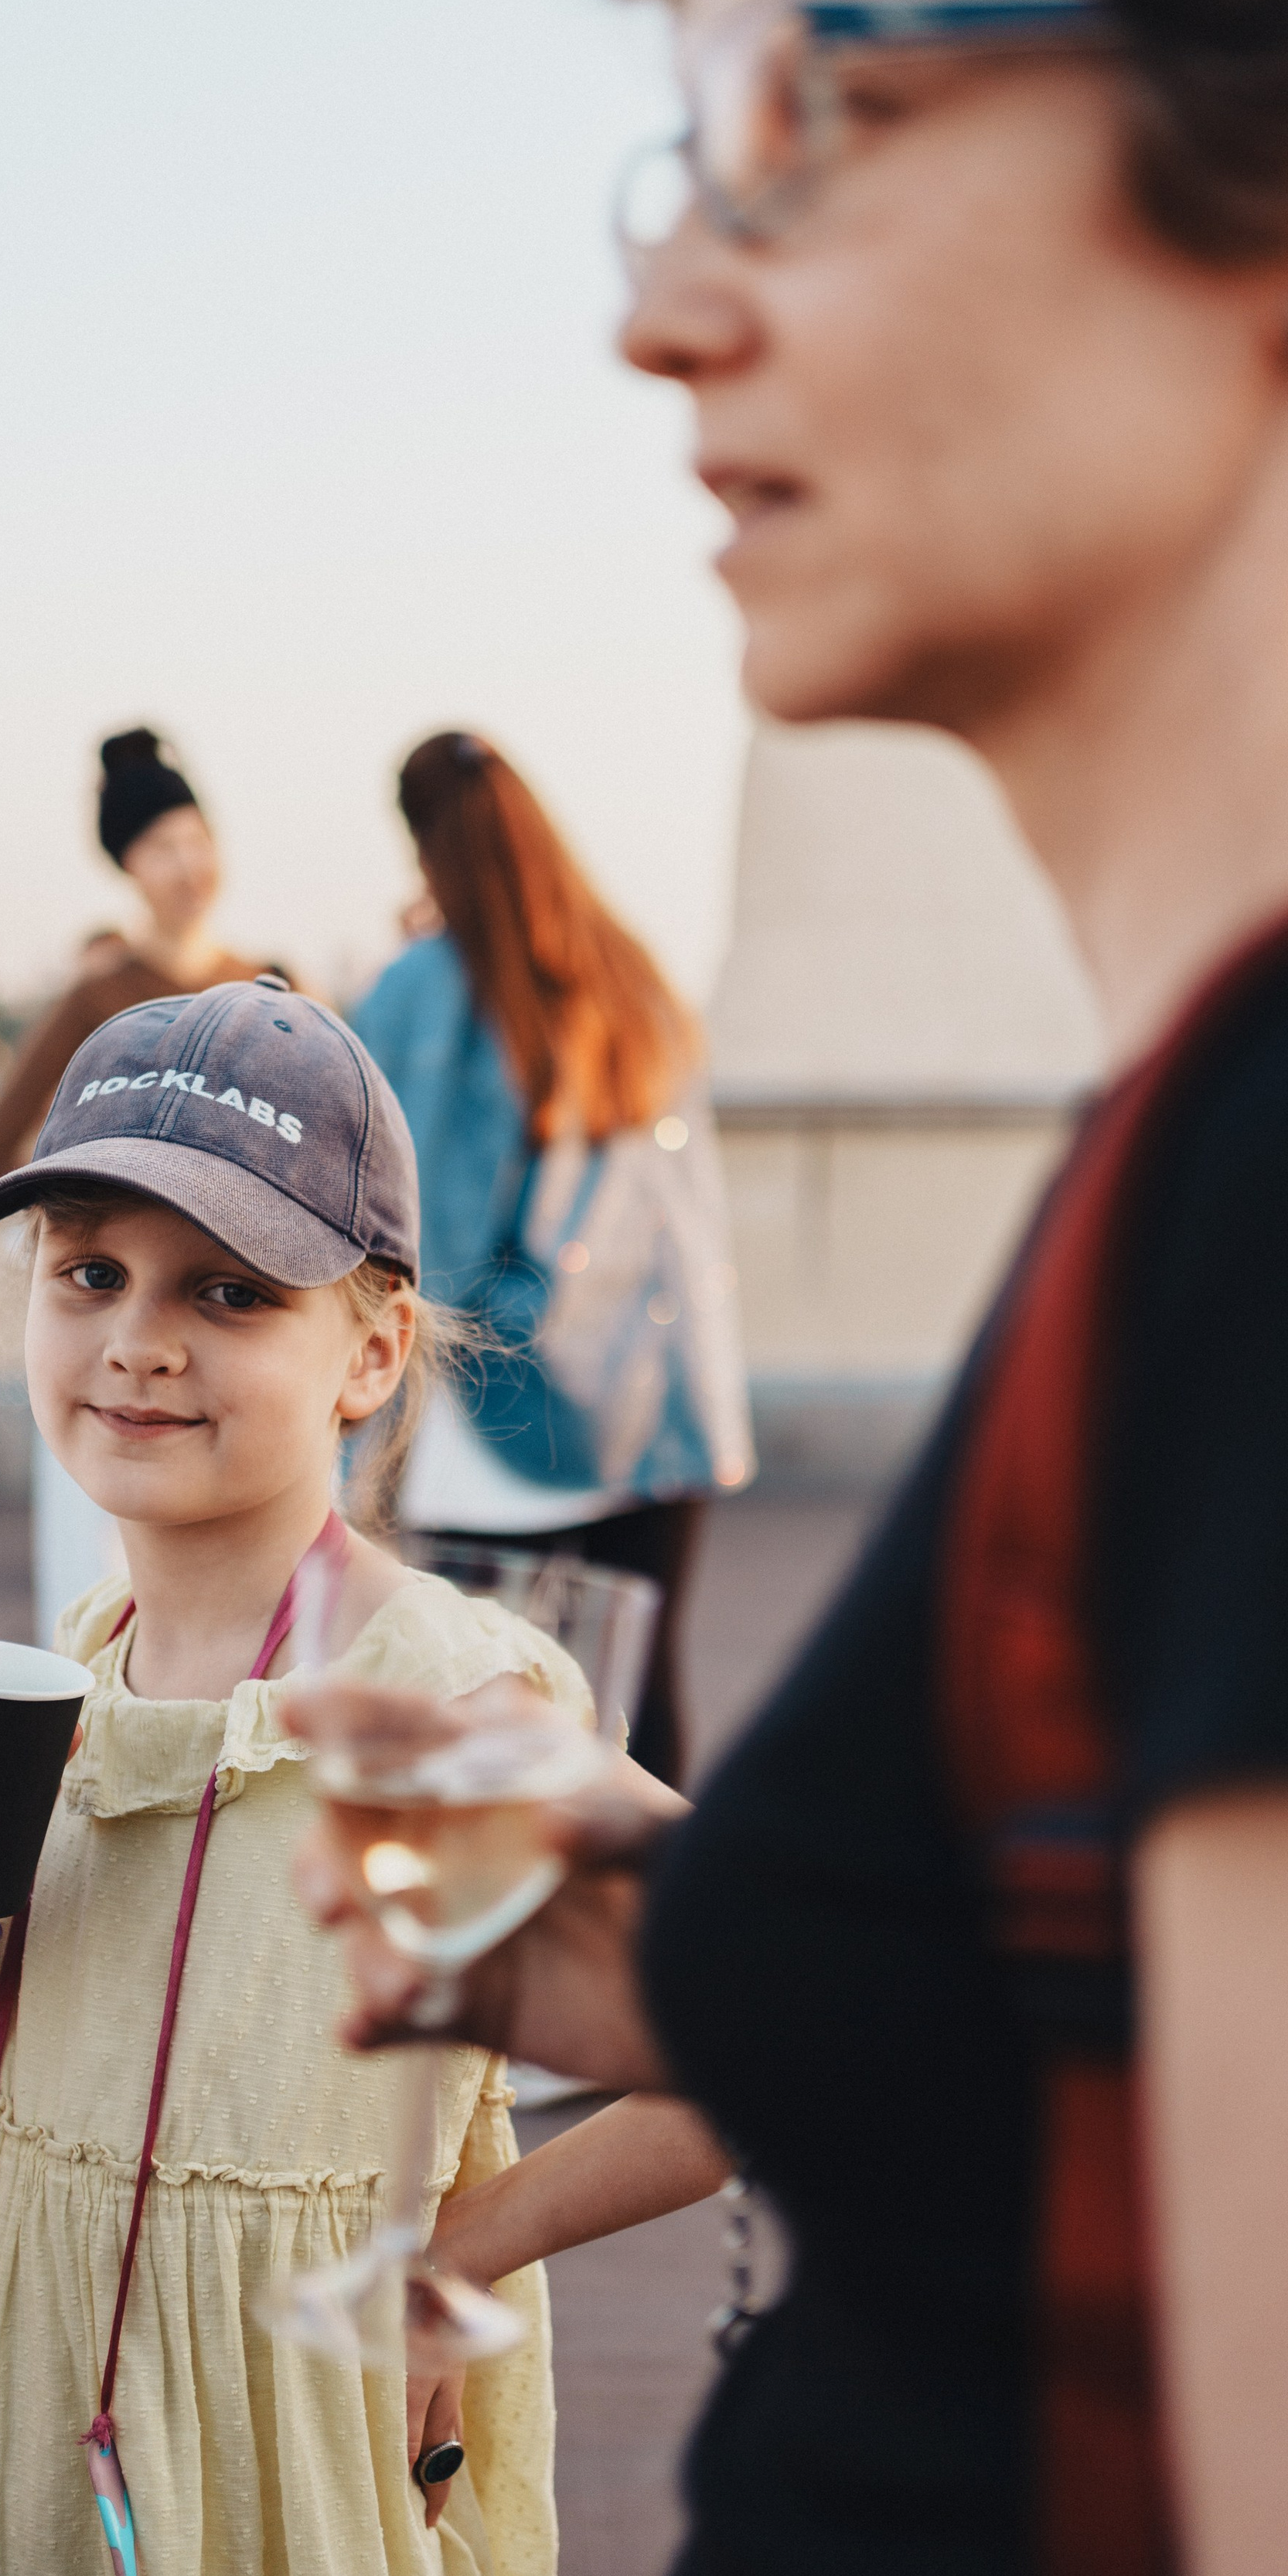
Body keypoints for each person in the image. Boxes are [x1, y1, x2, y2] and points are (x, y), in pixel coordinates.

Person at [298, 0, 1288, 2576]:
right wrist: (712, 1928)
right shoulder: (1286, 1099)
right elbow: (1103, 2141)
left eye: (803, 113)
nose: (662, 318)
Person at [0, 979, 724, 2576]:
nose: (137, 1341)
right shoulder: (72, 1674)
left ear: (369, 1353)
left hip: (284, 2528)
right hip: (14, 2484)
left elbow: (782, 2013)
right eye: (88, 1271)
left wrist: (455, 2254)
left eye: (226, 1292)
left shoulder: (431, 1708)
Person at [352, 731, 751, 1788]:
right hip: (658, 1395)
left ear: (421, 842)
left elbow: (405, 1216)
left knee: (483, 1700)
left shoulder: (425, 986)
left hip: (492, 1399)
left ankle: (501, 1899)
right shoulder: (630, 975)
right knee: (638, 1700)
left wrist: (365, 1422)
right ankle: (641, 1894)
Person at [0, 727, 271, 1195]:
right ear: (128, 866)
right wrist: (108, 1204)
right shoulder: (97, 995)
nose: (189, 867)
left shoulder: (270, 985)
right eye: (163, 849)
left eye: (198, 841)